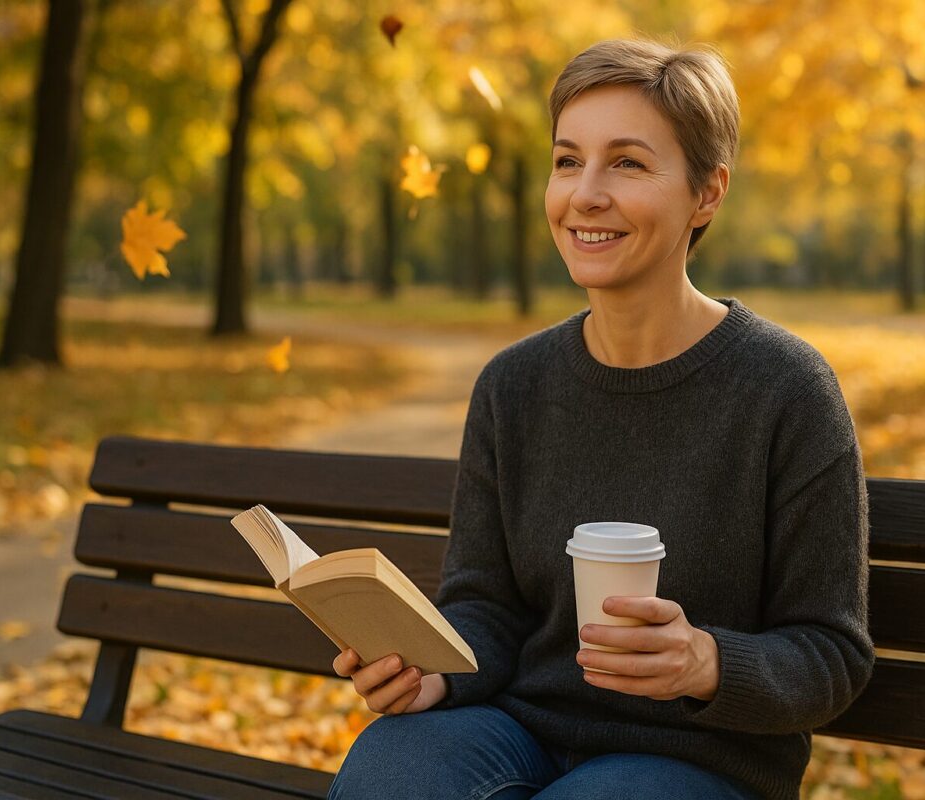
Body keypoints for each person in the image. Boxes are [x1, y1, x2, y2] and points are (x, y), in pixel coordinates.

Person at [328, 37, 873, 800]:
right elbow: (485, 606)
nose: (584, 193)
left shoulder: (785, 390)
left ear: (707, 193)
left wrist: (705, 661)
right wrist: (435, 676)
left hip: (701, 760)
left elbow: (830, 653)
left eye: (626, 162)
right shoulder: (512, 387)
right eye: (566, 160)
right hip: (516, 730)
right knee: (391, 770)